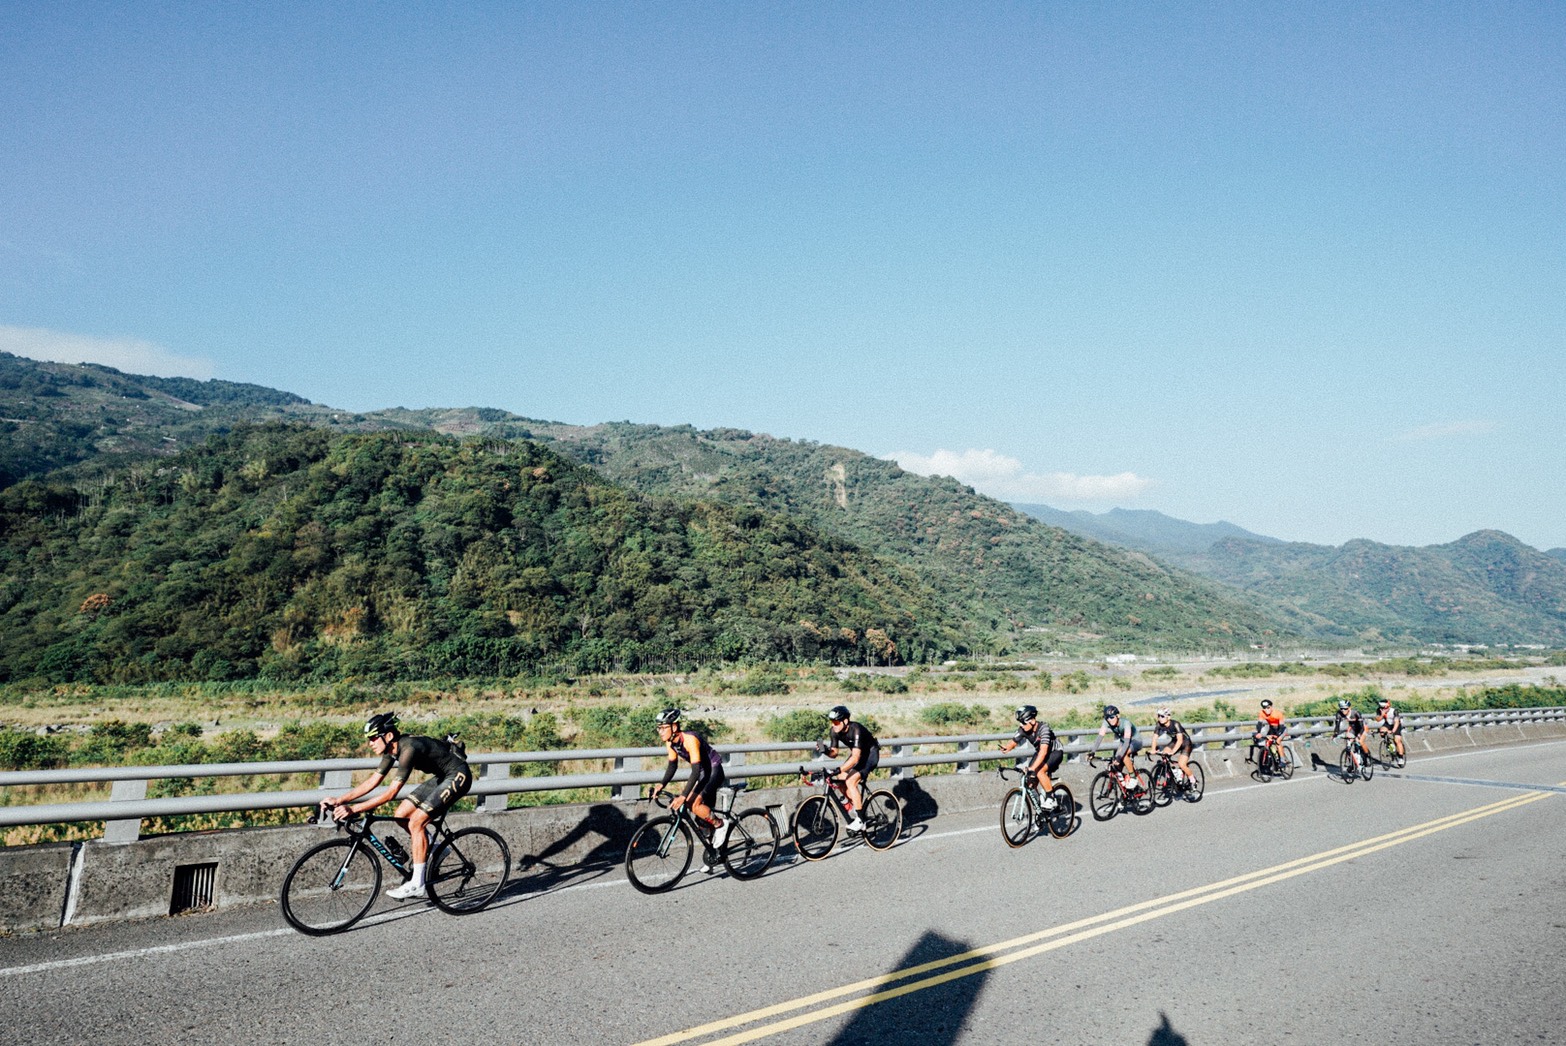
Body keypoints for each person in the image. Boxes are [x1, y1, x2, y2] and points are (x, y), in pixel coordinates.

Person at [323, 712, 472, 901]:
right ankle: (436, 849)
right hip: (442, 776)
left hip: (458, 775)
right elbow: (373, 781)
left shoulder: (409, 748)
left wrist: (354, 809)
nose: (370, 743)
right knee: (401, 814)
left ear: (389, 736)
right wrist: (340, 800)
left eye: (373, 738)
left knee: (416, 822)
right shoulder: (390, 751)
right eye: (369, 739)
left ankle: (418, 884)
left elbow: (391, 793)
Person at [648, 708, 729, 853]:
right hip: (703, 774)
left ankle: (721, 824)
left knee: (693, 803)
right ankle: (714, 856)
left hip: (713, 770)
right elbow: (673, 765)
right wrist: (662, 784)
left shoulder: (690, 739)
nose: (660, 731)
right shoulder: (670, 742)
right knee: (702, 820)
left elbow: (696, 770)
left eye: (663, 727)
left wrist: (683, 796)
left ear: (674, 727)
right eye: (658, 728)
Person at [817, 705, 879, 833]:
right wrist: (825, 750)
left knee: (851, 781)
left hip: (870, 755)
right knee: (840, 778)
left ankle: (861, 820)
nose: (834, 725)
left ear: (845, 721)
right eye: (832, 722)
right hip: (858, 755)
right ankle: (854, 806)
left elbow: (855, 758)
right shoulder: (834, 731)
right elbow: (834, 753)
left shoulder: (856, 729)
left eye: (836, 722)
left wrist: (839, 769)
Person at [998, 705, 1064, 810]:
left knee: (1039, 771)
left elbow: (1043, 752)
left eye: (1023, 722)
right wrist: (1007, 747)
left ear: (1032, 721)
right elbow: (1014, 741)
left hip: (1054, 752)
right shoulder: (1023, 729)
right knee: (1029, 782)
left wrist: (1033, 768)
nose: (1021, 725)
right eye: (1020, 722)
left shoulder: (1044, 729)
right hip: (1040, 752)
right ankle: (1040, 813)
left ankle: (1051, 798)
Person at [1149, 707, 1196, 789]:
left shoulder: (1175, 724)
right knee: (1164, 753)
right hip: (1175, 741)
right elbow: (1154, 738)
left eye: (1162, 716)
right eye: (1159, 716)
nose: (1160, 718)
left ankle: (1193, 780)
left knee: (1182, 764)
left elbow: (1180, 740)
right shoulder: (1159, 724)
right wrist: (1153, 749)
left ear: (1168, 717)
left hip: (1186, 743)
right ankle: (1174, 772)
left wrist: (1173, 751)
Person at [1094, 705, 1142, 786]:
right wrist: (1092, 752)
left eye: (1112, 717)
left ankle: (1133, 777)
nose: (1110, 720)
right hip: (1123, 742)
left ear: (1118, 716)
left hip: (1135, 741)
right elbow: (1100, 737)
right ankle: (1125, 788)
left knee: (1123, 755)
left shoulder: (1126, 723)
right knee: (1116, 766)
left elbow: (1127, 743)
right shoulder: (1107, 722)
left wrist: (1120, 756)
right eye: (1107, 718)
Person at [1250, 699, 1288, 772]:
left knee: (1277, 741)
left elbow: (1282, 727)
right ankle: (1272, 759)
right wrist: (1258, 732)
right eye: (1264, 708)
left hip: (1281, 729)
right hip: (1272, 729)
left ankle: (1283, 760)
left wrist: (1276, 735)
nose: (1266, 710)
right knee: (1268, 742)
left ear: (1271, 707)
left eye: (1268, 708)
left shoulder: (1278, 713)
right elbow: (1259, 724)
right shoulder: (1262, 713)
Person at [1334, 699, 1370, 764]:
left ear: (1349, 708)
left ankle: (1367, 757)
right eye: (1341, 708)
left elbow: (1361, 726)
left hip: (1362, 727)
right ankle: (1351, 764)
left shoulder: (1356, 713)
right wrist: (1335, 734)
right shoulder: (1339, 714)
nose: (1343, 710)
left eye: (1345, 708)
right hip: (1353, 728)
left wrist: (1359, 734)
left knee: (1360, 742)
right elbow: (1337, 726)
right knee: (1348, 746)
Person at [1374, 698, 1406, 762]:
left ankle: (1401, 757)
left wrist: (1393, 731)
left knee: (1397, 740)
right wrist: (1382, 715)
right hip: (1388, 723)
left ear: (1388, 706)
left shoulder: (1394, 711)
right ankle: (1389, 744)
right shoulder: (1379, 710)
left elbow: (1396, 722)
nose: (1383, 709)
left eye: (1385, 708)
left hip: (1396, 724)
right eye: (1382, 708)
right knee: (1382, 732)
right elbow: (1377, 719)